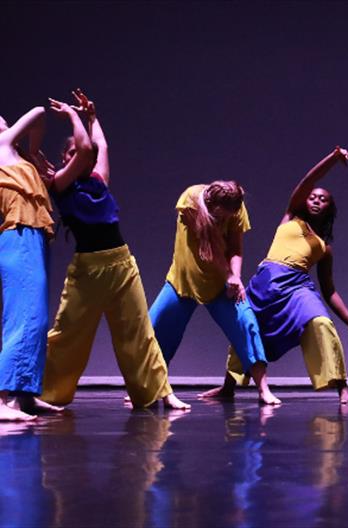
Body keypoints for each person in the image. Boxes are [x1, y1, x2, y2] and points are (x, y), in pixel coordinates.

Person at [37, 90, 189, 411]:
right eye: (73, 155)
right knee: (68, 334)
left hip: (121, 262)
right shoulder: (60, 185)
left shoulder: (98, 180)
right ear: (65, 159)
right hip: (88, 271)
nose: (83, 156)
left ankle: (161, 392)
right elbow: (84, 147)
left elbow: (99, 146)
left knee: (138, 331)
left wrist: (93, 116)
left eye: (85, 156)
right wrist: (72, 115)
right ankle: (47, 394)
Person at [199, 146, 348, 405]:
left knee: (321, 323)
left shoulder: (324, 247)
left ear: (330, 207)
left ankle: (342, 387)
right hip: (266, 281)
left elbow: (329, 290)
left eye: (323, 199)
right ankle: (229, 387)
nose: (316, 199)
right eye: (313, 197)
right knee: (244, 327)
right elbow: (308, 181)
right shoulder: (290, 216)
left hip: (296, 286)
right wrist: (333, 158)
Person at [148, 180, 267, 392]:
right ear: (212, 205)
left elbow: (236, 248)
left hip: (220, 284)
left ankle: (264, 389)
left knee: (246, 323)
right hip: (183, 281)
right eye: (222, 216)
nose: (226, 220)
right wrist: (229, 274)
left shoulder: (235, 207)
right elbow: (208, 248)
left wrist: (236, 278)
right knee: (155, 328)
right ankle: (147, 389)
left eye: (230, 215)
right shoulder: (191, 201)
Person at [0, 102, 62, 421]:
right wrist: (35, 150)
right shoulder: (2, 145)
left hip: (32, 238)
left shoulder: (13, 154)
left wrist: (31, 157)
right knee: (24, 316)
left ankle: (24, 395)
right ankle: (2, 398)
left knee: (35, 319)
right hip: (20, 236)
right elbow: (39, 113)